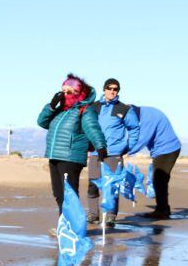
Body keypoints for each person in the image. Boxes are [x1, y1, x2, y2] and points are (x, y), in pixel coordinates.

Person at [37, 74, 107, 216]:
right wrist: (51, 106)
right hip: (54, 155)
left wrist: (100, 146)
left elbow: (92, 128)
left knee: (70, 194)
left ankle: (74, 228)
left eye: (68, 92)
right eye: (62, 91)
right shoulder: (60, 110)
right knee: (58, 194)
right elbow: (42, 122)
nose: (64, 95)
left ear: (78, 93)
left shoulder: (85, 109)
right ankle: (65, 225)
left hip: (71, 157)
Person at [86, 78, 140, 225]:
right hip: (96, 152)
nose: (112, 91)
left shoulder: (124, 109)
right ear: (104, 89)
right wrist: (87, 146)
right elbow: (86, 127)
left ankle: (110, 216)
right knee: (93, 184)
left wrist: (128, 147)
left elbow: (134, 128)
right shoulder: (93, 107)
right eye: (109, 88)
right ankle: (93, 214)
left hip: (114, 154)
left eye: (115, 89)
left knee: (112, 185)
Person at [127, 106, 181, 219]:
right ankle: (163, 209)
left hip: (168, 149)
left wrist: (122, 152)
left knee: (159, 180)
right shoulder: (143, 113)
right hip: (163, 150)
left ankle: (162, 211)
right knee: (159, 180)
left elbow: (142, 139)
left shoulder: (147, 117)